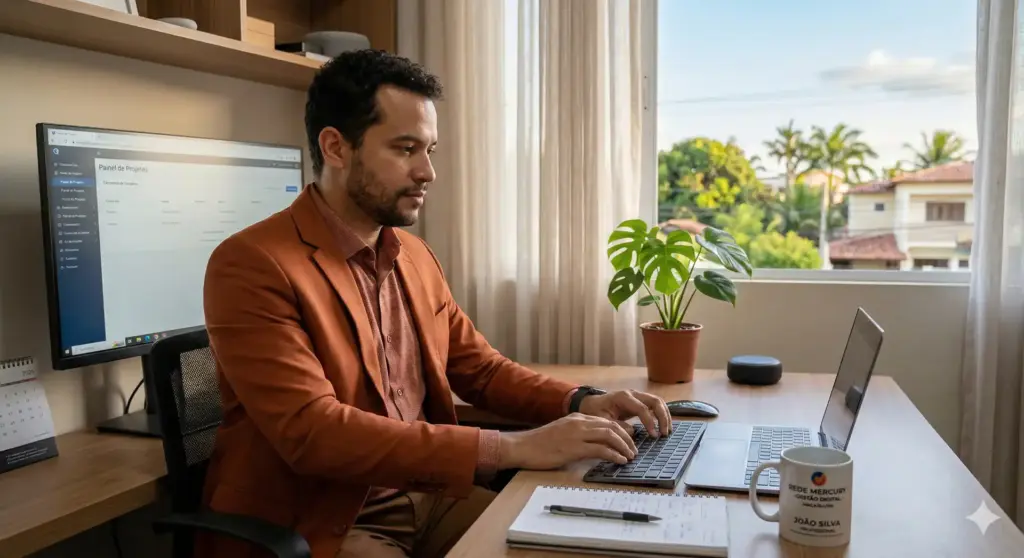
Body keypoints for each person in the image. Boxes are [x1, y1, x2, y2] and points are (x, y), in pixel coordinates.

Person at [199, 49, 673, 558]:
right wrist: (512, 447)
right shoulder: (252, 264)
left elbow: (481, 370)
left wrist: (582, 401)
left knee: (584, 546)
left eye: (430, 150)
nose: (427, 172)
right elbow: (314, 433)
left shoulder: (414, 256)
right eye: (406, 149)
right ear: (336, 147)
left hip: (428, 495)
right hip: (330, 521)